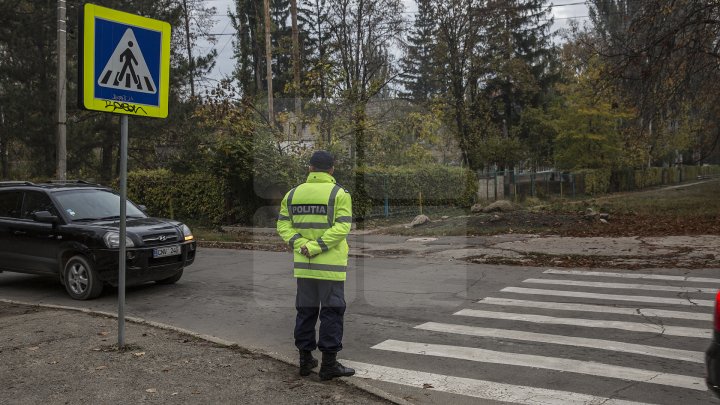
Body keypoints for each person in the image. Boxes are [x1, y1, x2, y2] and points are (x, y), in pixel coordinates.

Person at [276, 151, 355, 380]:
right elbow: (342, 228)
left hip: (304, 266)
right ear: (332, 169)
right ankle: (329, 365)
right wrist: (316, 246)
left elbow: (283, 226)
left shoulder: (293, 194)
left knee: (306, 311)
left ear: (310, 168)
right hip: (330, 267)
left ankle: (305, 361)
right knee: (332, 313)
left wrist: (302, 244)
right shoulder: (339, 194)